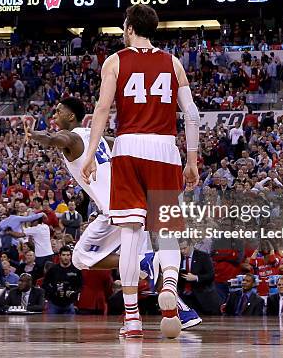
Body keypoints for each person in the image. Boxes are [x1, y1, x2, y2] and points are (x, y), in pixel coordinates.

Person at [27, 96, 201, 331]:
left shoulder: (72, 137)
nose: (54, 115)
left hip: (118, 209)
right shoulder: (100, 138)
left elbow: (54, 139)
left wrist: (36, 136)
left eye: (58, 111)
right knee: (87, 259)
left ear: (71, 116)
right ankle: (184, 311)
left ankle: (142, 272)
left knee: (84, 259)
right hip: (125, 206)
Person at [81, 4, 200, 338]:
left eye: (124, 25)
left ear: (130, 28)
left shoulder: (115, 60)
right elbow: (191, 115)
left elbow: (103, 108)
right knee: (166, 230)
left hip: (128, 147)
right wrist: (191, 160)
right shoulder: (173, 62)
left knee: (131, 233)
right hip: (164, 149)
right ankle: (171, 289)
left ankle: (131, 318)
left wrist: (91, 153)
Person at [42, 246, 82, 314]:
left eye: (68, 255)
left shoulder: (76, 270)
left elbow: (80, 286)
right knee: (51, 325)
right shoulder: (53, 270)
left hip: (69, 304)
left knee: (70, 324)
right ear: (59, 256)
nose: (66, 257)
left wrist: (73, 292)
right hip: (54, 303)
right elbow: (45, 284)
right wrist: (54, 291)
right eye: (63, 255)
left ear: (71, 256)